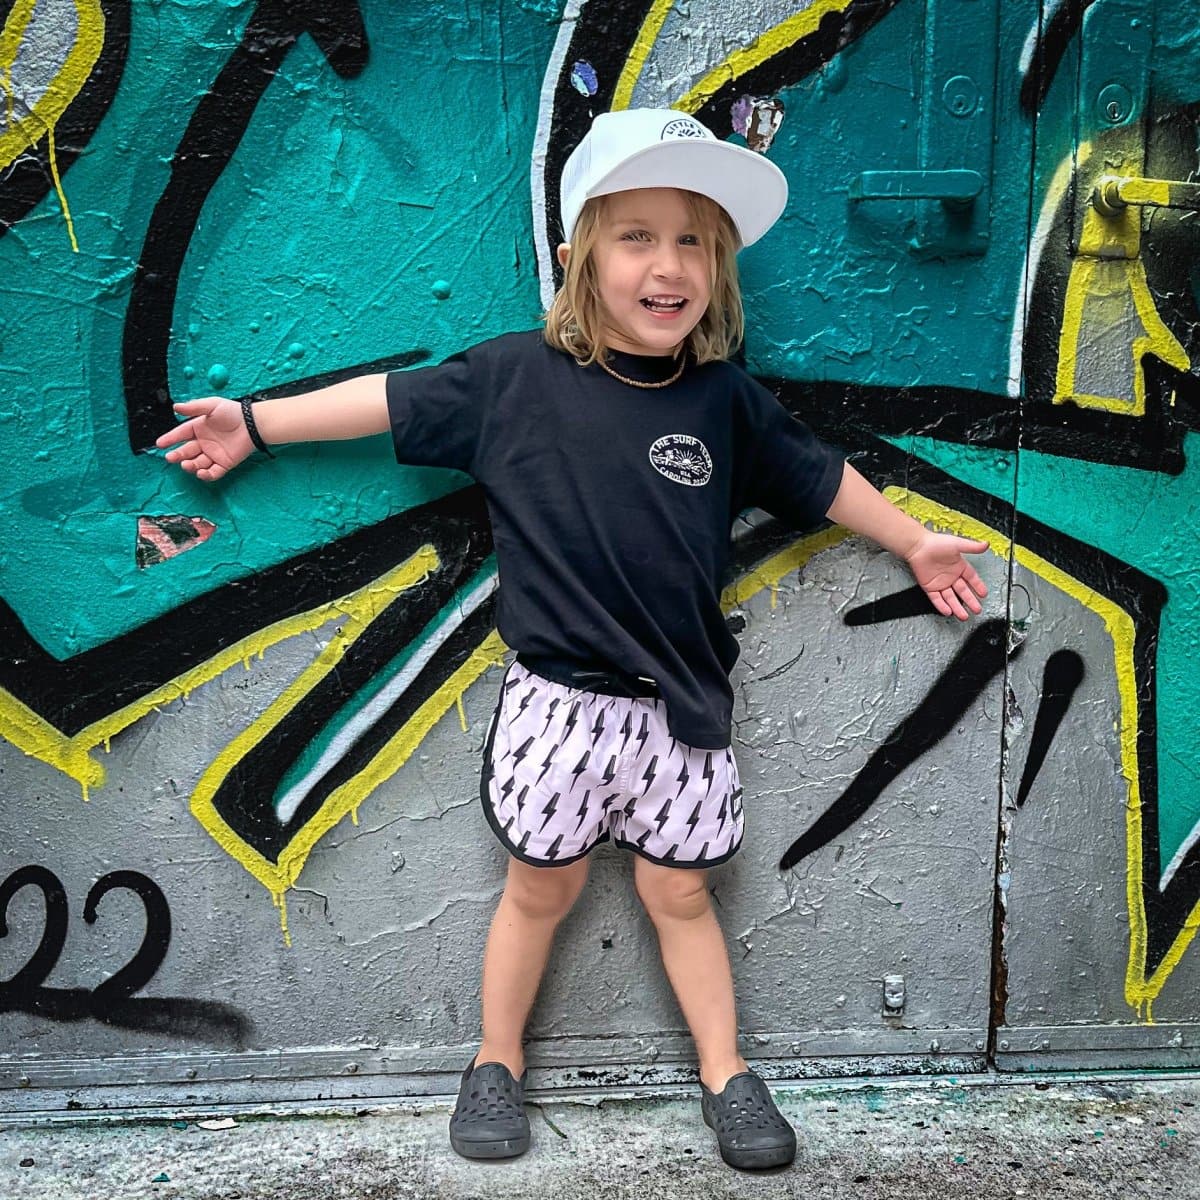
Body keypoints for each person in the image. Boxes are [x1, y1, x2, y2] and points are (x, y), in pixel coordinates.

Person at [157, 108, 988, 1171]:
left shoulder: (724, 400)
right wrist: (258, 423)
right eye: (636, 236)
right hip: (556, 707)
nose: (668, 265)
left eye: (692, 241)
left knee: (679, 892)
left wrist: (912, 539)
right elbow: (387, 402)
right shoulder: (514, 380)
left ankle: (727, 1073)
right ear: (578, 256)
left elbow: (818, 477)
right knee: (539, 889)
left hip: (682, 708)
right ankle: (494, 1061)